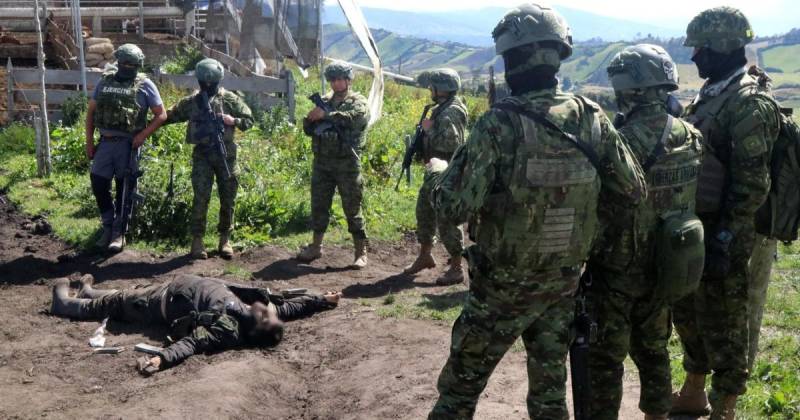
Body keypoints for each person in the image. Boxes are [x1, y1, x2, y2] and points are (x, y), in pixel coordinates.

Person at [427, 3, 647, 418]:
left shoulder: (498, 123)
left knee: (458, 392)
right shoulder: (591, 117)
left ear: (512, 60)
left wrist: (439, 174)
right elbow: (633, 191)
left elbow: (455, 206)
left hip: (501, 289)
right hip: (563, 283)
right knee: (549, 397)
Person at [671, 7, 781, 419]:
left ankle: (726, 406)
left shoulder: (749, 102)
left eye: (699, 48)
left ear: (720, 45)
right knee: (689, 312)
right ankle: (694, 390)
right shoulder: (714, 91)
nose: (694, 56)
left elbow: (752, 183)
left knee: (726, 322)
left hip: (725, 231)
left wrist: (726, 238)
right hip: (695, 225)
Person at [587, 44, 704, 420]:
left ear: (628, 88)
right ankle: (656, 415)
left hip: (619, 266)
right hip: (668, 260)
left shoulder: (622, 140)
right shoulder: (690, 135)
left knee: (607, 357)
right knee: (654, 349)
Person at [49, 274, 340, 374]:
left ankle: (62, 303)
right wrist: (321, 300)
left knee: (117, 303)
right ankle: (88, 292)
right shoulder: (252, 311)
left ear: (255, 327)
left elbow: (193, 342)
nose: (269, 309)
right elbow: (291, 306)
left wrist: (162, 358)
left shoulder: (226, 329)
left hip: (158, 303)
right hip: (170, 289)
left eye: (266, 314)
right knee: (124, 296)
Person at [162, 58, 254, 260]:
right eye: (205, 82)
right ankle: (197, 240)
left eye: (211, 82)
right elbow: (168, 116)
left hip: (226, 156)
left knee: (227, 198)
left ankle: (225, 239)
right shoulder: (192, 102)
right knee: (201, 198)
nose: (208, 85)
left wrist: (234, 120)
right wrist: (146, 123)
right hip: (202, 156)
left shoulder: (229, 99)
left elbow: (249, 120)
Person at [85, 43, 167, 252]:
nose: (128, 66)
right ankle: (107, 223)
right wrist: (89, 142)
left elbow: (161, 114)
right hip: (105, 142)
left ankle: (119, 233)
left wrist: (141, 136)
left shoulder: (144, 84)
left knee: (124, 188)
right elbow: (91, 113)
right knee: (98, 181)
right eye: (125, 63)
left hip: (128, 144)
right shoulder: (105, 81)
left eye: (133, 64)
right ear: (118, 62)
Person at [297, 62, 371, 269]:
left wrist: (327, 115)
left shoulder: (358, 101)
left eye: (340, 79)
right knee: (319, 206)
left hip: (347, 163)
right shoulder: (324, 101)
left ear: (348, 80)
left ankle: (360, 251)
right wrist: (310, 120)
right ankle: (316, 246)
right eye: (333, 80)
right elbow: (309, 129)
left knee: (352, 208)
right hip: (322, 163)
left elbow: (356, 119)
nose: (336, 83)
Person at [403, 68, 469, 285]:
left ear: (442, 89)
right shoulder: (443, 108)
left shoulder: (451, 111)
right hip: (435, 171)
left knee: (447, 218)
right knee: (424, 211)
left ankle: (457, 267)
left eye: (433, 86)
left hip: (447, 174)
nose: (430, 90)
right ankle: (425, 255)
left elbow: (451, 143)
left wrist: (429, 130)